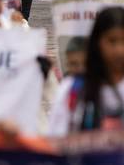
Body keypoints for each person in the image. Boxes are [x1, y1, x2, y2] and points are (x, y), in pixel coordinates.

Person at [47, 7, 124, 136]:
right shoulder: (72, 89)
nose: (119, 51)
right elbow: (55, 141)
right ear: (97, 42)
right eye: (112, 41)